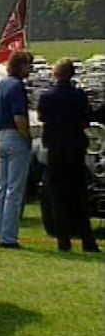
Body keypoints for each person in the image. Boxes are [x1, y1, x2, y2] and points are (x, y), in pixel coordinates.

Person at [37, 58, 101, 253]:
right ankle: (87, 239)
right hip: (75, 148)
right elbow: (86, 117)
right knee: (79, 194)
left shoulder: (46, 97)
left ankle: (63, 239)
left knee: (58, 195)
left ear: (55, 74)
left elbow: (41, 117)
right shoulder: (78, 95)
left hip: (55, 149)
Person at [0, 51, 33, 249]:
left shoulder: (0, 85)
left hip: (0, 135)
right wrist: (27, 138)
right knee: (15, 190)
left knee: (2, 188)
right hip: (15, 137)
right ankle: (9, 236)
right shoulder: (17, 87)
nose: (30, 69)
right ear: (21, 66)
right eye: (28, 65)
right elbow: (20, 117)